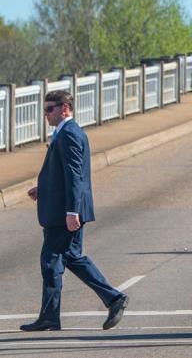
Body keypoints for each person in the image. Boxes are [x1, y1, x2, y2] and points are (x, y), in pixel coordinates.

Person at [21, 90, 128, 332]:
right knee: (72, 258)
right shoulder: (64, 133)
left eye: (49, 109)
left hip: (64, 213)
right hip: (64, 208)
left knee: (51, 262)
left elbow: (74, 176)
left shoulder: (69, 134)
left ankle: (50, 317)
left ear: (65, 108)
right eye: (45, 109)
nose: (45, 114)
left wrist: (71, 211)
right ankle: (113, 298)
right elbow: (63, 174)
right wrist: (44, 188)